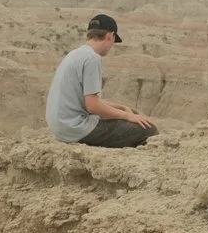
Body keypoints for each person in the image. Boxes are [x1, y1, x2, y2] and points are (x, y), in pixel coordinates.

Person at [45, 13, 159, 147]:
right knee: (149, 130)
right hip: (76, 129)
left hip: (61, 128)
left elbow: (85, 99)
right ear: (110, 36)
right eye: (113, 41)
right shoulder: (92, 59)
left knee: (131, 114)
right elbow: (93, 106)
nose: (111, 46)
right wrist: (126, 116)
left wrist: (122, 108)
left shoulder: (74, 54)